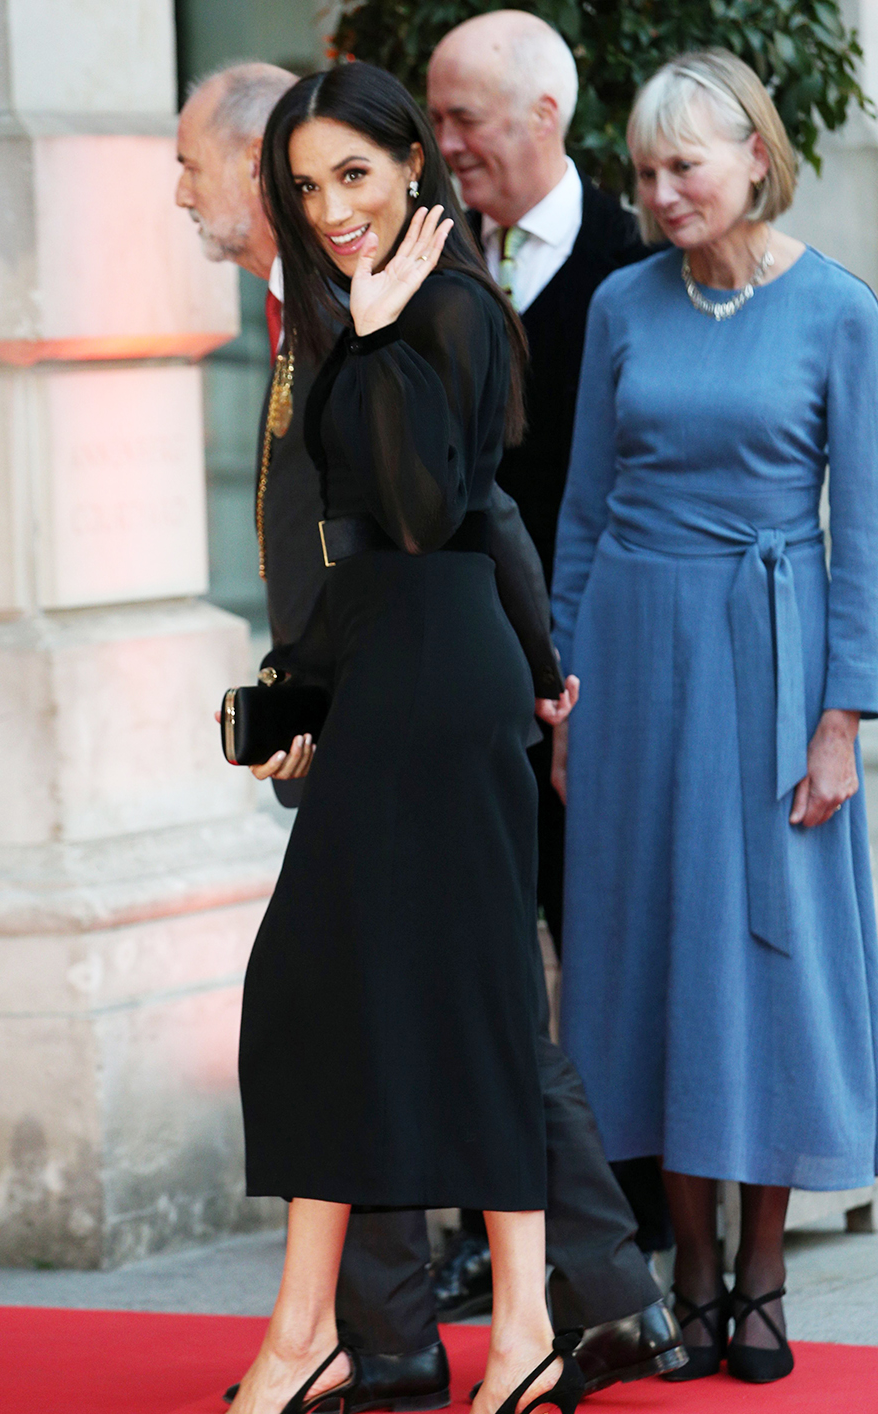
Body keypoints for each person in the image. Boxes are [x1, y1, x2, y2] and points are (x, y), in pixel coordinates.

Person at [176, 62, 684, 1408]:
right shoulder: (316, 308)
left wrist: (534, 660)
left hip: (408, 693)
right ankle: (393, 1329)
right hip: (356, 686)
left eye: (194, 168)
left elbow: (459, 511)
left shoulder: (415, 306)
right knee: (371, 1002)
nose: (188, 197)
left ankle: (588, 1298)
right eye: (302, 184)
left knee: (457, 1005)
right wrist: (302, 686)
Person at [551, 48, 878, 1385]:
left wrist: (843, 719)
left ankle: (759, 1275)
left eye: (684, 164)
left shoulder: (839, 311)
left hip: (768, 652)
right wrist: (564, 691)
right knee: (643, 957)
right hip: (631, 652)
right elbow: (577, 514)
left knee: (764, 961)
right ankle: (683, 1270)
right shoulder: (624, 307)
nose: (662, 190)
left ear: (755, 153)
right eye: (644, 171)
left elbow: (860, 535)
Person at [426, 5, 673, 1322]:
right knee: (477, 945)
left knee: (605, 935)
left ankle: (619, 1233)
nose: (444, 142)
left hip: (602, 669)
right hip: (458, 672)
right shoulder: (422, 266)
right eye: (438, 116)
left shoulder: (637, 272)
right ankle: (493, 1222)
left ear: (545, 118)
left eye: (465, 117)